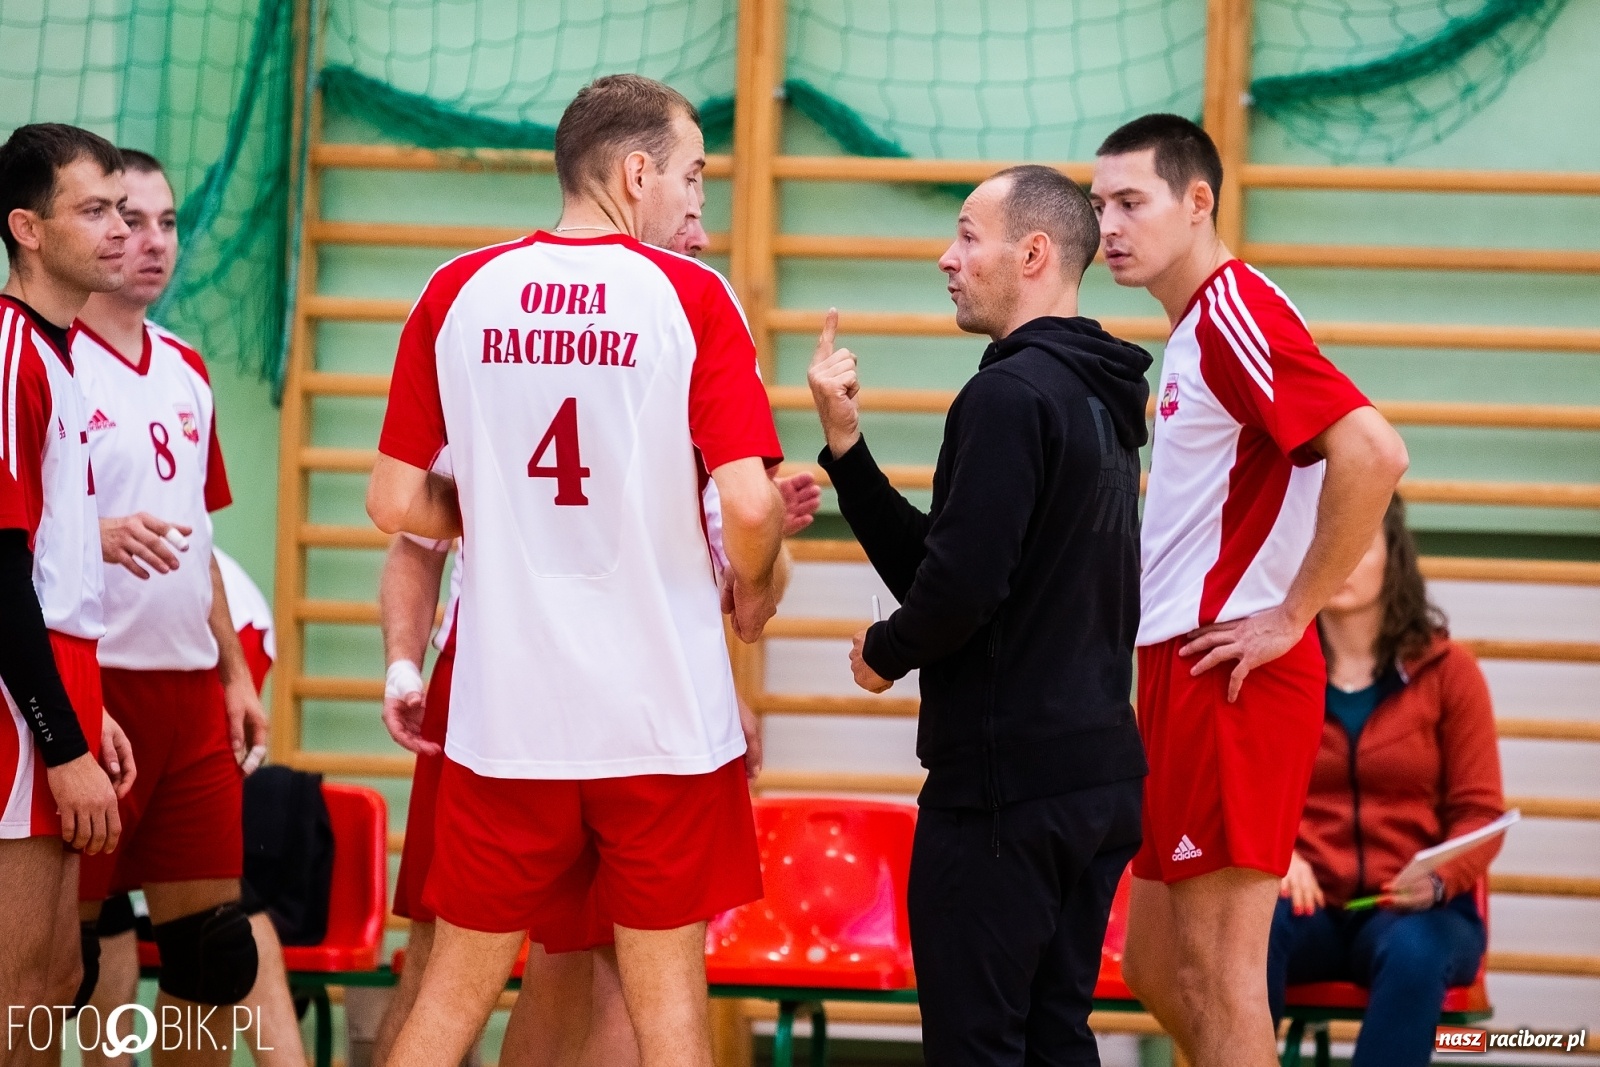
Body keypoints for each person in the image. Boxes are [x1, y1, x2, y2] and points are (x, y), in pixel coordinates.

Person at [366, 74, 787, 1067]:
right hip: (661, 724)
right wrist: (756, 559)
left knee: (451, 993)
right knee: (668, 1013)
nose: (694, 196)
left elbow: (391, 502)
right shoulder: (690, 295)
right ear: (636, 171)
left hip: (508, 719)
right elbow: (751, 504)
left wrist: (497, 519)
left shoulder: (454, 290)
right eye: (689, 173)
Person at [808, 165, 1150, 1065]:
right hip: (1093, 781)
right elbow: (955, 562)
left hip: (1009, 797)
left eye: (967, 235)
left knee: (977, 1046)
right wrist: (848, 448)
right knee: (1052, 1037)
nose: (946, 258)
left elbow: (959, 589)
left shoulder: (1007, 394)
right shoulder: (1098, 396)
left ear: (1032, 252)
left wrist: (887, 648)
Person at [1089, 113, 1410, 1067]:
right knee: (1155, 963)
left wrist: (1292, 613)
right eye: (1099, 204)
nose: (1109, 224)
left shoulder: (1235, 312)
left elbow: (1373, 451)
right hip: (1176, 668)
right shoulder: (1195, 330)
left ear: (1199, 203)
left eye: (1131, 202)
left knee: (1219, 979)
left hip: (1230, 672)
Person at [1269, 494, 1504, 1067]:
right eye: (1326, 544)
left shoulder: (1452, 675)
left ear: (1392, 556)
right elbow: (1237, 795)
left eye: (1358, 543)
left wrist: (1440, 879)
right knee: (1241, 931)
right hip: (1308, 910)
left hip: (1419, 912)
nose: (1339, 560)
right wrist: (1273, 857)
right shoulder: (1274, 672)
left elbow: (1482, 814)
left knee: (1414, 951)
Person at [0, 122, 136, 1045]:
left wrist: (88, 714)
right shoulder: (11, 351)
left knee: (56, 979)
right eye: (94, 210)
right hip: (19, 705)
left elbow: (53, 563)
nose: (120, 229)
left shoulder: (62, 354)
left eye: (122, 209)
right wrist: (59, 741)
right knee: (15, 986)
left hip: (60, 674)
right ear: (28, 227)